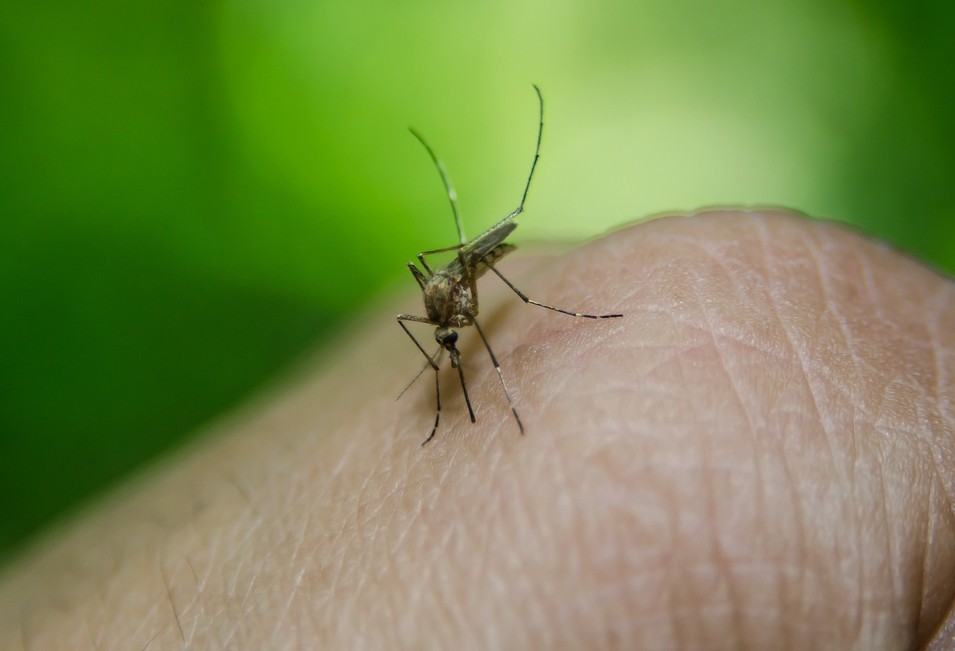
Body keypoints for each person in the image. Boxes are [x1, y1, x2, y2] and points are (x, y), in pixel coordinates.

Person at [1, 210, 953, 649]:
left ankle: (541, 321)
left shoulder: (470, 287)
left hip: (477, 260)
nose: (443, 327)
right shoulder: (436, 314)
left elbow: (466, 288)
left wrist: (493, 291)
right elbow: (431, 319)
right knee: (433, 323)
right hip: (453, 282)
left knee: (486, 305)